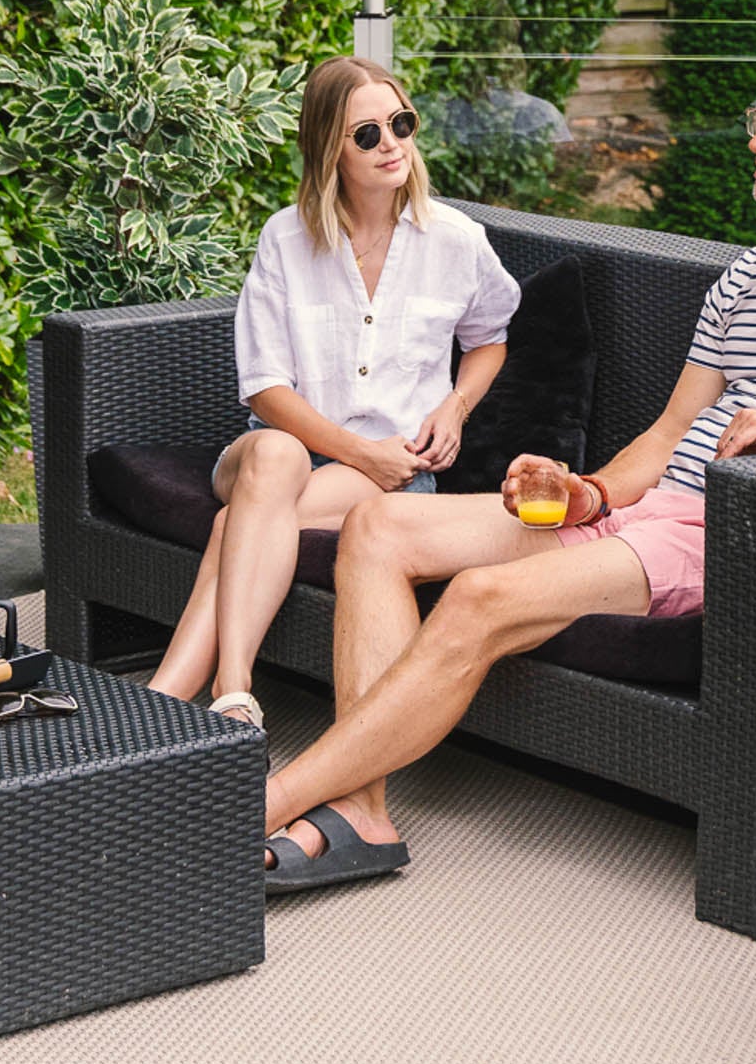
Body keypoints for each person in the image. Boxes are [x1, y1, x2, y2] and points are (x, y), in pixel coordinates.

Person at [259, 33, 756, 891]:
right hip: (647, 515)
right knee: (377, 526)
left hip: (738, 528)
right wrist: (587, 490)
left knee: (483, 595)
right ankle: (364, 812)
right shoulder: (746, 278)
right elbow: (672, 432)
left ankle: (266, 800)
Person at [147, 56, 520, 729]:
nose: (392, 144)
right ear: (329, 148)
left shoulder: (458, 242)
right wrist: (356, 450)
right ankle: (226, 689)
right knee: (275, 457)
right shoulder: (286, 239)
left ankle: (174, 699)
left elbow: (490, 335)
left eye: (400, 124)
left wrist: (455, 406)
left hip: (393, 475)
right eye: (367, 134)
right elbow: (263, 388)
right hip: (293, 455)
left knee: (240, 526)